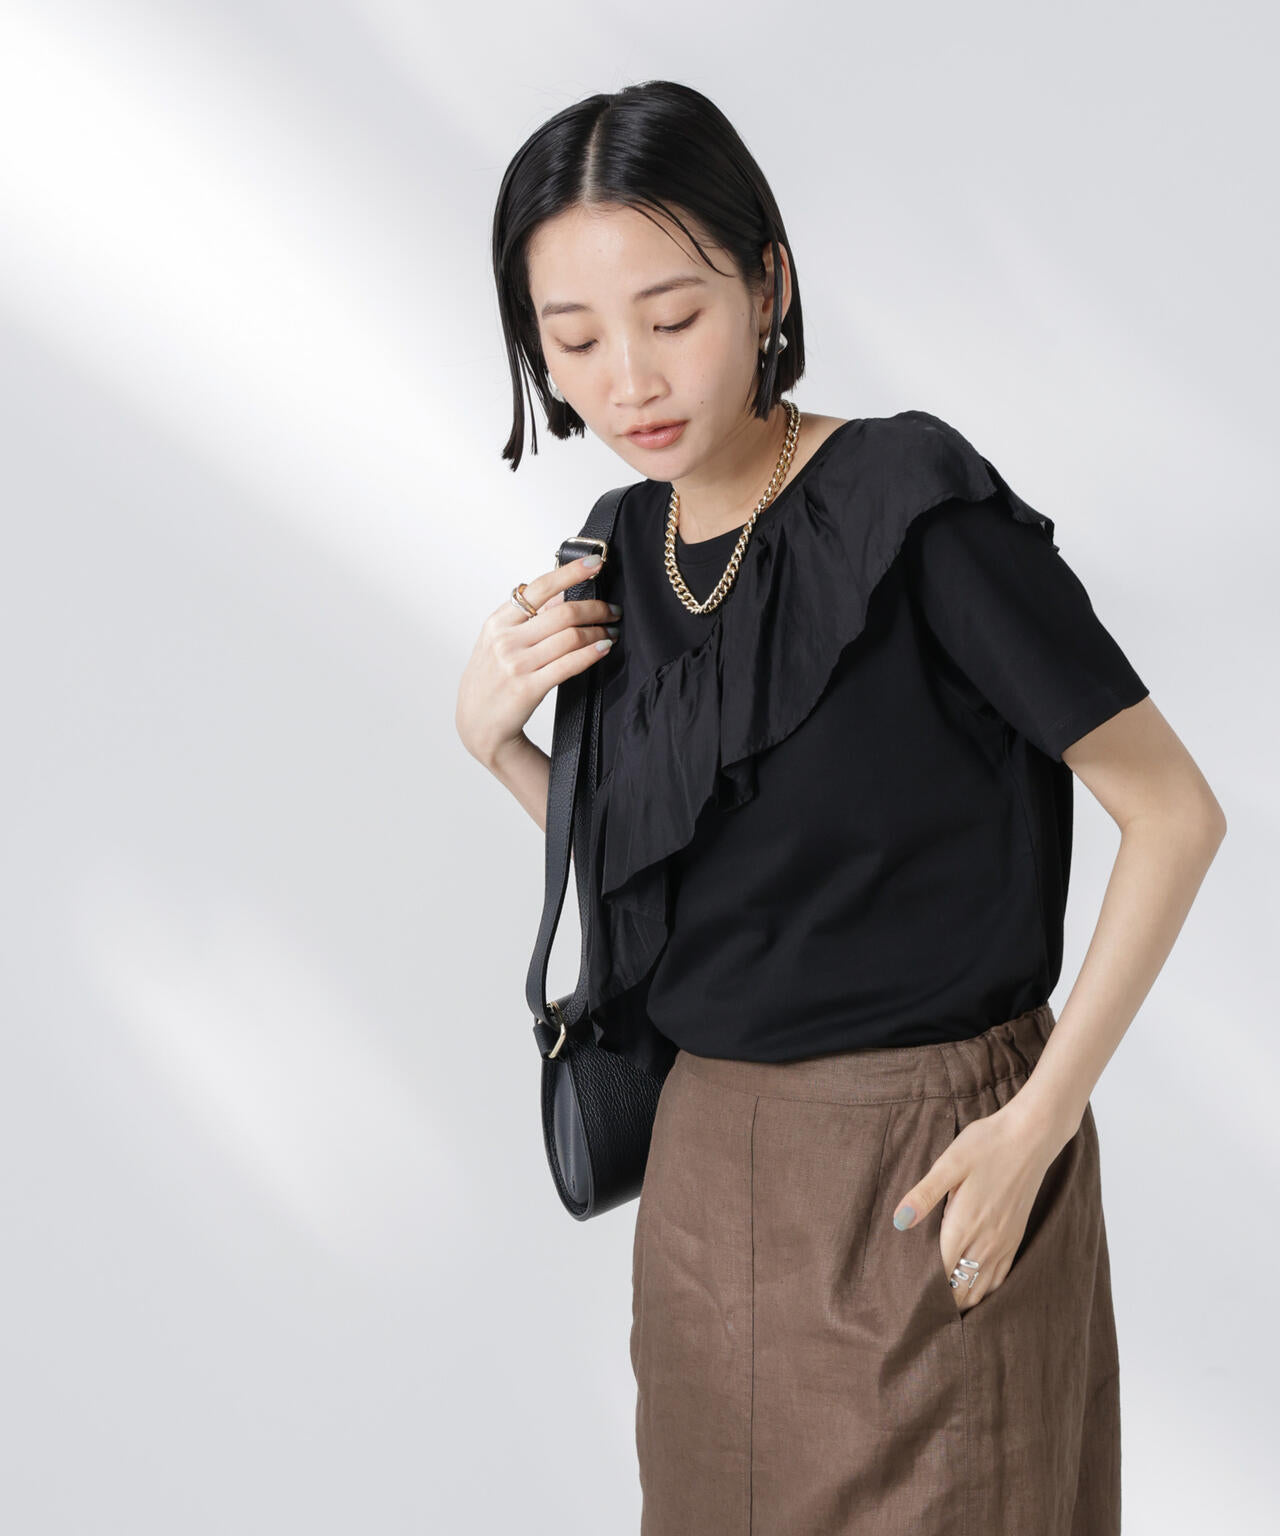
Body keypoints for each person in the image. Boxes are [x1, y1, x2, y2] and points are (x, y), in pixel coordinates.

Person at [456, 79, 1227, 1536]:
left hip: (931, 1163)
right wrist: (498, 748)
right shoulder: (614, 554)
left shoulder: (908, 505)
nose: (630, 379)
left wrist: (1039, 1123)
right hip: (701, 1182)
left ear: (769, 284)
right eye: (577, 340)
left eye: (672, 316)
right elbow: (677, 897)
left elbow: (1175, 815)